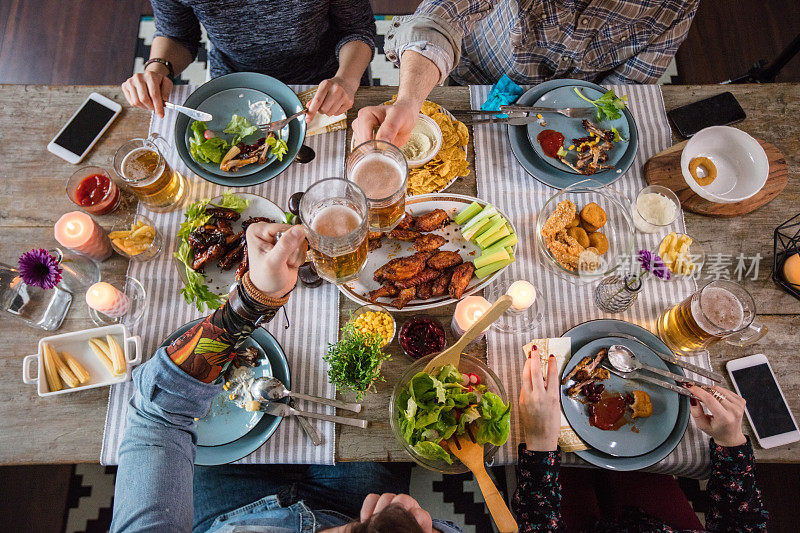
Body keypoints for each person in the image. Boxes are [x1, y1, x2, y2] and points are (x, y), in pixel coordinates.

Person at [110, 222, 461, 533]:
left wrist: (250, 302)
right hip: (346, 507)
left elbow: (158, 416)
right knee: (379, 444)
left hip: (222, 509)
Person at [352, 0, 698, 147]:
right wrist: (409, 100)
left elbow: (629, 85)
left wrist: (584, 127)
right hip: (476, 76)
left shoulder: (676, 5)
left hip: (570, 114)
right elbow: (441, 14)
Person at [514, 351, 769, 531]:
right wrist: (732, 441)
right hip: (656, 521)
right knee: (612, 461)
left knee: (572, 469)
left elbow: (538, 522)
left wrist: (540, 445)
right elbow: (742, 521)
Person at [121, 0, 377, 122]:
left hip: (325, 84)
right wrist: (158, 68)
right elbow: (177, 35)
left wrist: (346, 79)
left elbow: (357, 30)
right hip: (233, 84)